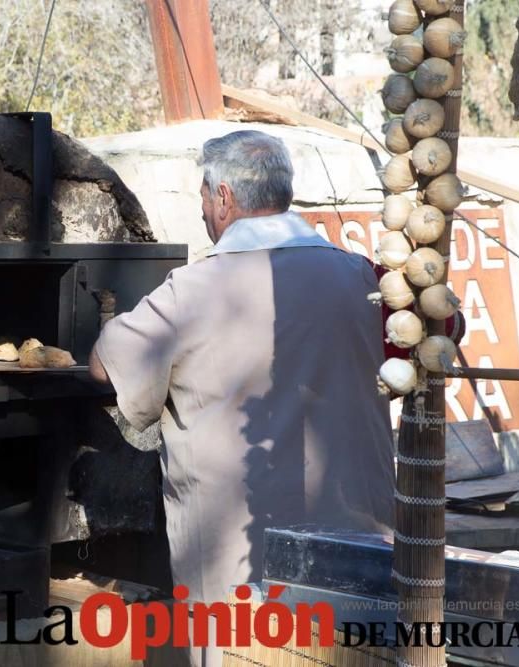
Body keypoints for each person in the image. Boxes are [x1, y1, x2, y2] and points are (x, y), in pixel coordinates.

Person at [89, 130, 395, 664]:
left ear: (225, 197)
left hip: (239, 565)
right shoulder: (362, 277)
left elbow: (103, 365)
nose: (204, 210)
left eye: (204, 197)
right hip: (355, 546)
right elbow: (439, 329)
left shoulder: (195, 288)